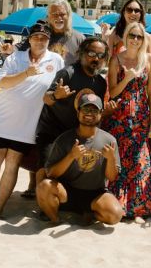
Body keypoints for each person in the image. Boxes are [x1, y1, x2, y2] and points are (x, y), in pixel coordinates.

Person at [0, 21, 63, 218]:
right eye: (36, 37)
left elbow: (59, 84)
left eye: (44, 38)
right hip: (2, 118)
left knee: (12, 164)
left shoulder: (55, 60)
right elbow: (3, 82)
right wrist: (26, 73)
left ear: (48, 41)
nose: (40, 41)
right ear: (30, 39)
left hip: (27, 123)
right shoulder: (16, 58)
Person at [36, 92, 123, 226]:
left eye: (94, 110)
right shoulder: (64, 139)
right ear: (78, 113)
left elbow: (111, 177)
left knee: (115, 215)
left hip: (95, 194)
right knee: (44, 187)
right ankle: (55, 219)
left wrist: (111, 159)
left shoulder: (109, 141)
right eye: (85, 109)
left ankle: (89, 213)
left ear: (100, 114)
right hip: (67, 192)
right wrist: (71, 156)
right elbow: (51, 174)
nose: (89, 113)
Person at [103, 21, 151, 222]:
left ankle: (139, 208)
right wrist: (127, 78)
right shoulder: (116, 60)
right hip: (120, 116)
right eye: (132, 35)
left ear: (144, 40)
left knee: (139, 160)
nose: (135, 39)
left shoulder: (149, 60)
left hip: (141, 116)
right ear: (126, 37)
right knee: (120, 159)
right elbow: (113, 92)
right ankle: (119, 205)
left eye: (139, 37)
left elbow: (150, 91)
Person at [36, 37, 109, 174]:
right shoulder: (68, 73)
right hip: (52, 133)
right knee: (46, 171)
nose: (96, 59)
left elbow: (94, 112)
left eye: (101, 55)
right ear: (82, 53)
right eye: (92, 54)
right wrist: (56, 95)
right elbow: (46, 98)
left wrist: (106, 112)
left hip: (75, 135)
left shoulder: (100, 82)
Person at [45, 0, 84, 66]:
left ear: (68, 15)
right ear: (49, 16)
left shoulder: (79, 38)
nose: (59, 17)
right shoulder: (41, 36)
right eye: (54, 14)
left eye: (62, 14)